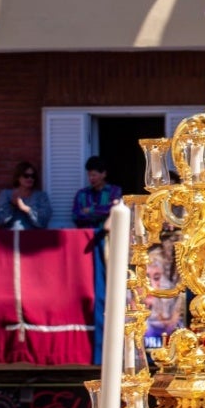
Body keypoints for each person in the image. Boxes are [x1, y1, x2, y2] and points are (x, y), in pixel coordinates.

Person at [73, 155, 123, 364]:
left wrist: (91, 212)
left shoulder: (114, 191)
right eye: (89, 174)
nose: (91, 178)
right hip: (87, 245)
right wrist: (100, 212)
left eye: (95, 174)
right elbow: (77, 215)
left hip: (109, 244)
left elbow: (115, 212)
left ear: (103, 174)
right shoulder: (82, 194)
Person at [0, 161, 52, 229]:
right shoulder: (6, 194)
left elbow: (44, 221)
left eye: (33, 176)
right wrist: (12, 205)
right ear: (18, 177)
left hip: (34, 236)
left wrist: (27, 209)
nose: (30, 178)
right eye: (26, 176)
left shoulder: (41, 196)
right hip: (11, 236)